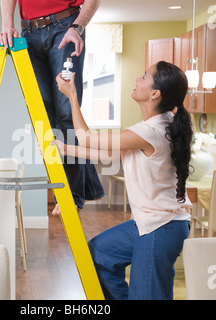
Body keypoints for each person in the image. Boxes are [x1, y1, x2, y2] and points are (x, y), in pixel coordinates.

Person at [53, 61, 193, 300]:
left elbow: (86, 138)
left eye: (144, 76)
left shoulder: (151, 131)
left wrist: (72, 97)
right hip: (148, 223)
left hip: (161, 227)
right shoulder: (156, 126)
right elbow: (111, 154)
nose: (137, 79)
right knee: (99, 255)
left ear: (155, 93)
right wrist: (66, 149)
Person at [0, 0, 105, 215]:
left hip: (66, 27)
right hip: (28, 33)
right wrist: (7, 25)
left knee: (66, 113)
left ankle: (71, 195)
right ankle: (87, 187)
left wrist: (78, 26)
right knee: (44, 118)